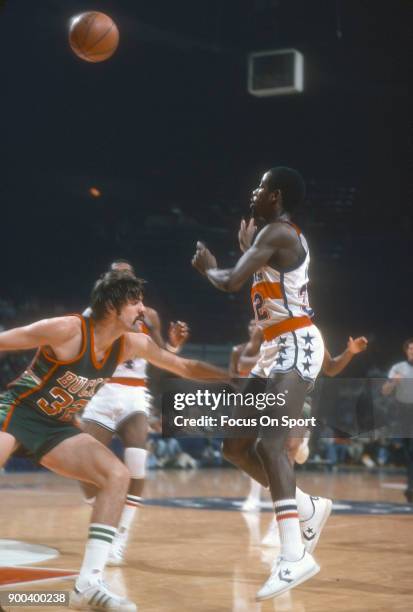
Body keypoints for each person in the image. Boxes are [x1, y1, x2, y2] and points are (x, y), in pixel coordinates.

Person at [0, 270, 228, 612]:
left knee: (117, 476)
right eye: (134, 301)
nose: (142, 308)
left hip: (57, 426)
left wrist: (233, 377)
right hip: (17, 412)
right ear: (111, 306)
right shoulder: (67, 329)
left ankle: (88, 585)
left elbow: (183, 366)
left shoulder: (131, 344)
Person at [192, 166, 333, 599]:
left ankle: (294, 556)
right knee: (235, 446)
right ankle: (308, 507)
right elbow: (254, 274)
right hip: (273, 348)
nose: (252, 192)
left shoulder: (280, 233)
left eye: (259, 187)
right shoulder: (269, 239)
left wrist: (208, 268)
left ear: (275, 196)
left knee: (272, 445)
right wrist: (247, 250)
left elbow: (230, 281)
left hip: (297, 342)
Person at [81, 259, 189, 566]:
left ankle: (121, 535)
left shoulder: (148, 314)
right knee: (82, 463)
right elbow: (82, 352)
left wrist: (174, 345)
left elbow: (161, 356)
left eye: (129, 278)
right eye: (118, 277)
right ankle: (104, 507)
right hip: (102, 390)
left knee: (137, 464)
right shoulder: (92, 313)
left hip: (134, 391)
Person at [382, 338, 413, 502]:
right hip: (403, 412)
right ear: (406, 351)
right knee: (408, 452)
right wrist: (394, 381)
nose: (412, 351)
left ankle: (411, 488)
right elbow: (385, 391)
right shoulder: (398, 368)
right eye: (410, 349)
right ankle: (410, 487)